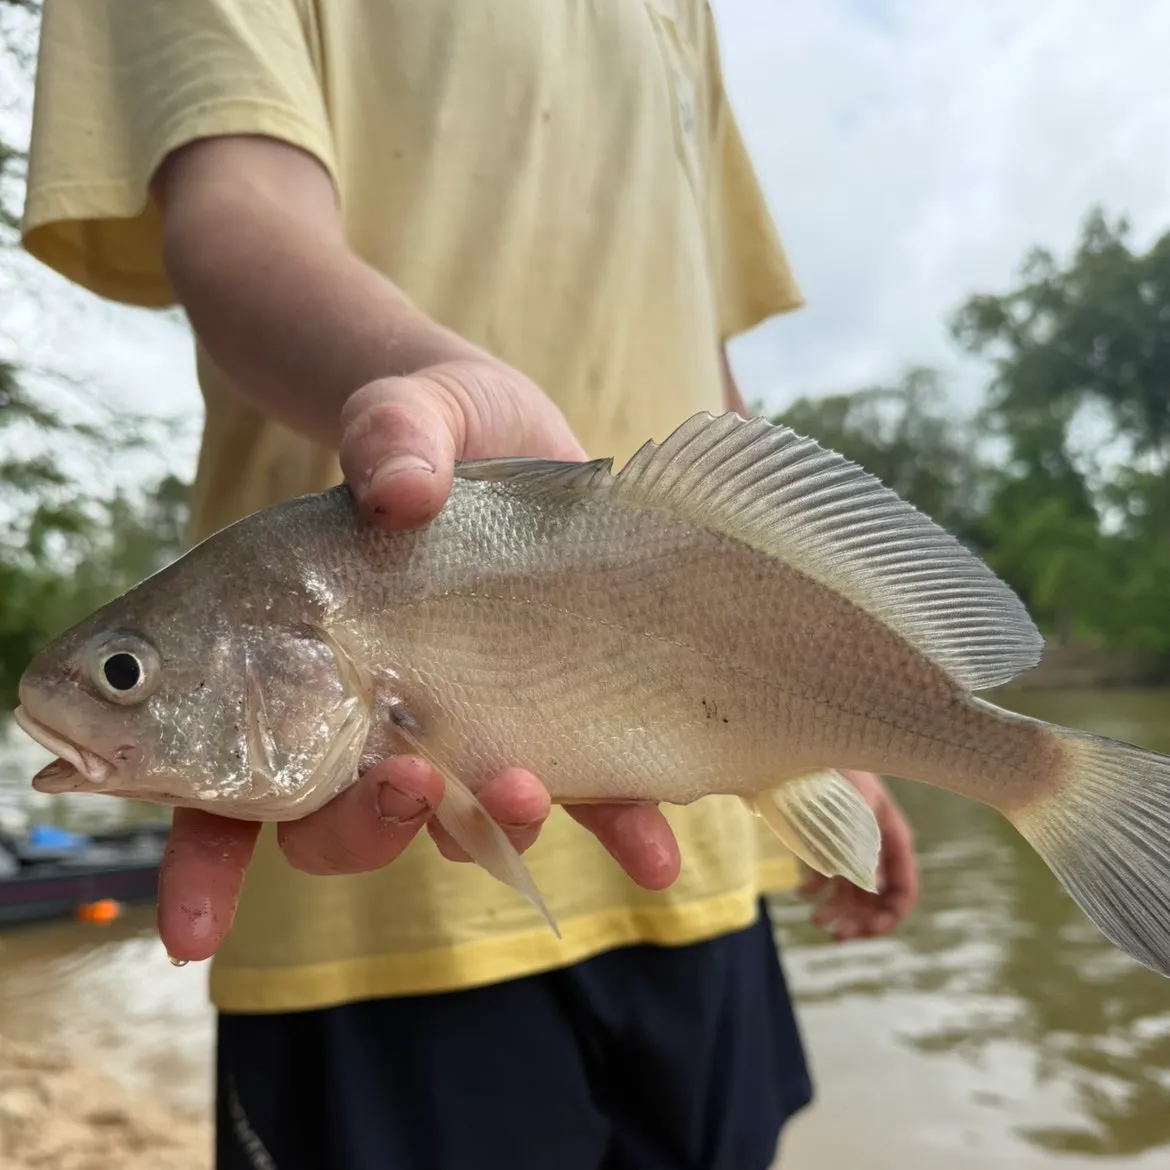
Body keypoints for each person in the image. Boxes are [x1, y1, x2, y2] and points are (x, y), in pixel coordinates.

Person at [21, 2, 919, 1167]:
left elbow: (705, 369)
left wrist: (832, 718)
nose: (107, 692)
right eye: (126, 676)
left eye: (123, 676)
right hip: (373, 913)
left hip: (709, 846)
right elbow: (232, 208)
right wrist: (422, 376)